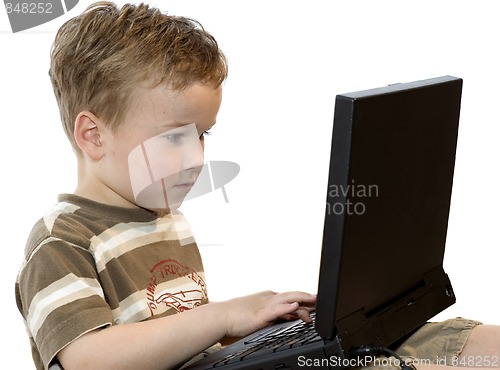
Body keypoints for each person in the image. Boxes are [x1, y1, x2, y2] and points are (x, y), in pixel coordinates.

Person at [14, 2, 500, 370]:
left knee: (443, 342)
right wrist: (224, 318)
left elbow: (179, 344)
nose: (197, 158)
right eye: (174, 137)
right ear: (93, 135)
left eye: (203, 135)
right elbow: (89, 359)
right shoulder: (61, 241)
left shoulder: (164, 221)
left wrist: (255, 332)